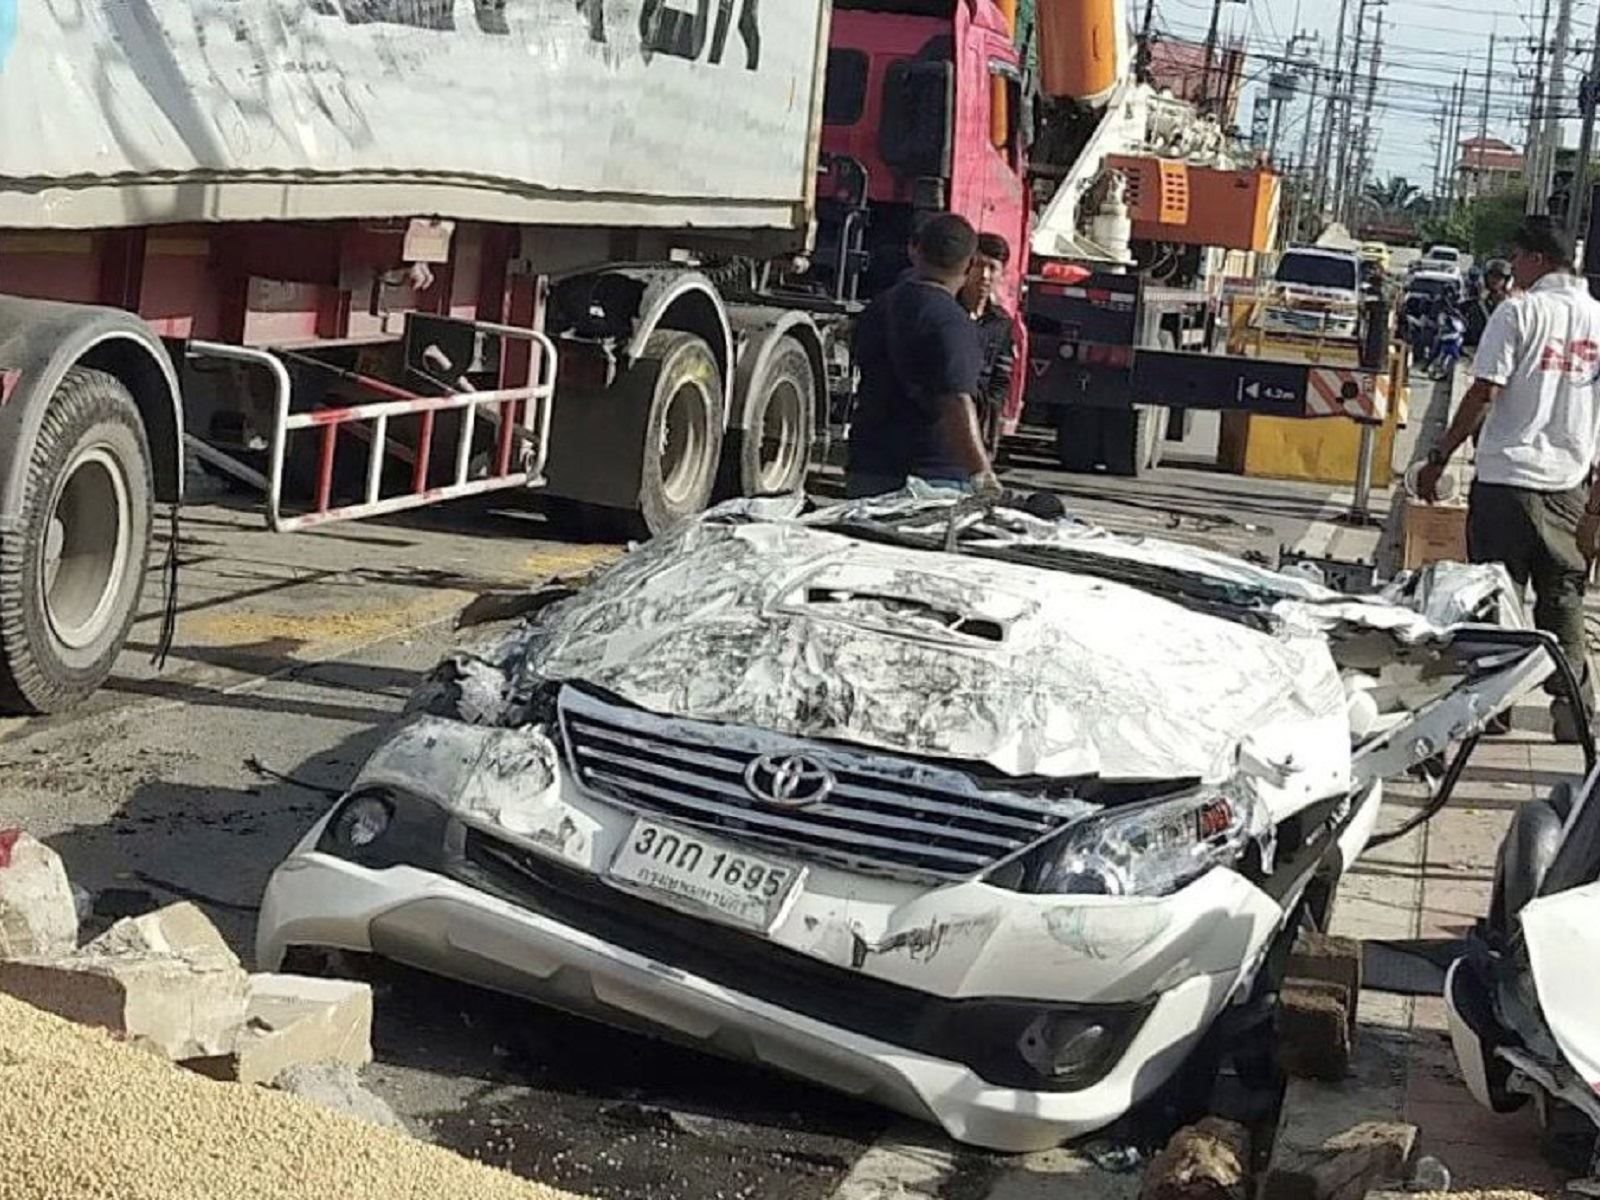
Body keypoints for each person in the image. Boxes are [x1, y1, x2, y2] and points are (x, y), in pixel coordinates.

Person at [1416, 217, 1600, 741]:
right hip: (1569, 483)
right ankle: (1575, 714)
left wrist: (1439, 456)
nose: (1512, 267)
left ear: (1538, 259)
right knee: (1562, 597)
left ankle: (1493, 710)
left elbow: (1483, 392)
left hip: (1505, 481)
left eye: (1518, 257)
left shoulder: (1518, 312)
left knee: (1499, 595)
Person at [846, 214, 1000, 498]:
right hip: (931, 479)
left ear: (914, 250)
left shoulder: (879, 307)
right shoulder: (952, 322)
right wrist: (982, 474)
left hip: (869, 466)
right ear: (968, 264)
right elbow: (955, 399)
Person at [958, 232, 1018, 450]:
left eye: (992, 268)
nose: (984, 275)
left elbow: (1000, 381)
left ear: (1002, 274)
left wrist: (988, 426)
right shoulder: (948, 312)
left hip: (979, 424)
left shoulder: (1001, 324)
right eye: (978, 265)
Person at [1465, 258, 1513, 347]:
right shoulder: (1478, 305)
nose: (1494, 280)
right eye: (1492, 275)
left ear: (1506, 280)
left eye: (1499, 277)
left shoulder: (1512, 306)